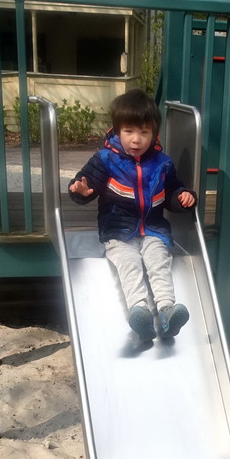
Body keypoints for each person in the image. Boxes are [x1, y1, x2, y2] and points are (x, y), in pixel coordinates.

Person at [68, 89, 197, 342]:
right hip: (117, 230)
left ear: (154, 134)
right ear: (117, 131)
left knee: (158, 262)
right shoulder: (105, 160)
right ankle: (140, 312)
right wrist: (81, 190)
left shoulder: (162, 163)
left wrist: (183, 197)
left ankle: (167, 311)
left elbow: (172, 192)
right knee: (129, 263)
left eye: (144, 132)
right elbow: (86, 184)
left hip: (154, 229)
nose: (136, 139)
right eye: (129, 131)